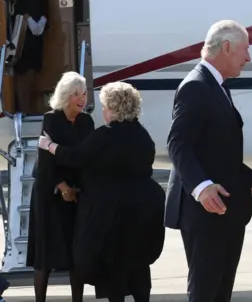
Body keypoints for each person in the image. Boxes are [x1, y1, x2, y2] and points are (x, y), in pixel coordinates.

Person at [164, 19, 252, 302]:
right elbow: (178, 143)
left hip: (224, 213)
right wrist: (202, 187)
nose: (249, 58)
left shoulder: (217, 86)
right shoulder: (196, 86)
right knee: (206, 292)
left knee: (219, 293)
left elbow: (217, 150)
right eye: (245, 50)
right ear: (226, 47)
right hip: (206, 214)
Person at [38, 81, 166, 302]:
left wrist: (49, 146)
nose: (103, 111)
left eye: (106, 106)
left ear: (114, 108)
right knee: (138, 268)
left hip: (113, 214)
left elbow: (77, 157)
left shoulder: (105, 135)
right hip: (142, 211)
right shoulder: (142, 135)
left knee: (114, 269)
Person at [27, 71, 93, 302]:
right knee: (45, 256)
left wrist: (55, 148)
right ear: (66, 95)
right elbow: (45, 164)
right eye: (76, 94)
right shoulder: (51, 119)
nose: (82, 98)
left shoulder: (87, 122)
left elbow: (85, 158)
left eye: (84, 93)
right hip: (49, 193)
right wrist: (63, 186)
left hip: (77, 194)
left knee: (77, 253)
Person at [14, 0, 49, 114]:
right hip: (23, 31)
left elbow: (45, 1)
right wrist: (28, 20)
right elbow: (18, 3)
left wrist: (43, 20)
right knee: (24, 71)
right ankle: (24, 109)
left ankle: (28, 108)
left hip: (37, 32)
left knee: (33, 69)